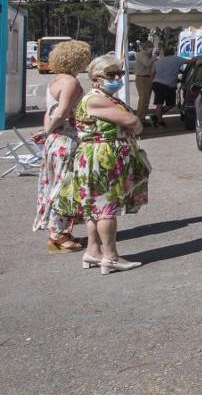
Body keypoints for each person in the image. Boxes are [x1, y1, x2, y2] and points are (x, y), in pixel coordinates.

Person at [56, 55, 149, 274]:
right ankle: (111, 257)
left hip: (96, 155)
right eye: (111, 74)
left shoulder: (101, 96)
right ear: (96, 78)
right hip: (102, 157)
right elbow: (132, 122)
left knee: (94, 208)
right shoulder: (96, 98)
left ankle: (93, 251)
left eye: (119, 73)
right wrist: (134, 124)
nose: (117, 78)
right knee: (106, 208)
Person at [32, 40, 92, 252]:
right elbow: (63, 111)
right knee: (65, 186)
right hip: (67, 139)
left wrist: (47, 133)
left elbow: (51, 111)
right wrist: (48, 132)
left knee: (56, 183)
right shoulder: (71, 82)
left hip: (56, 140)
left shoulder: (55, 80)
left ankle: (61, 231)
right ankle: (57, 235)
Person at [150, 45, 184, 128]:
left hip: (158, 84)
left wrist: (152, 82)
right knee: (168, 104)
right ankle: (159, 121)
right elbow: (191, 62)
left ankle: (156, 116)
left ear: (164, 53)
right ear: (173, 52)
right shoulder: (177, 59)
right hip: (168, 85)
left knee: (162, 104)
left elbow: (151, 74)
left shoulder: (157, 62)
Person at [132, 40, 156, 125]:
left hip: (147, 78)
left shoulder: (148, 55)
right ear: (145, 47)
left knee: (146, 100)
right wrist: (153, 58)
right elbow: (147, 63)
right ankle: (139, 119)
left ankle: (142, 118)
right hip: (142, 78)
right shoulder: (141, 54)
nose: (151, 49)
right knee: (143, 99)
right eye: (150, 47)